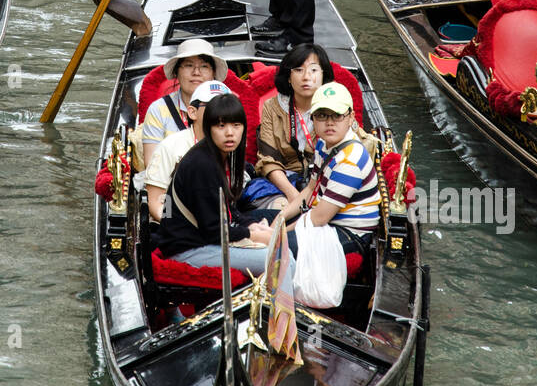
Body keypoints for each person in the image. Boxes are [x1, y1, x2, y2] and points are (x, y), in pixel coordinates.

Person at [156, 93, 275, 276]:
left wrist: (252, 225)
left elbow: (228, 210)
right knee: (280, 259)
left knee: (280, 248)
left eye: (236, 125)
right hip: (188, 250)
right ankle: (284, 305)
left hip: (202, 241)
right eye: (221, 126)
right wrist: (254, 235)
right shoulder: (202, 165)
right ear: (208, 128)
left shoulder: (216, 156)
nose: (230, 133)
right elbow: (214, 231)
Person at [248, 43, 335, 218]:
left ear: (323, 76)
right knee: (273, 205)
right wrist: (294, 196)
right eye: (298, 70)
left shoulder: (337, 107)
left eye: (313, 70)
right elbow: (267, 160)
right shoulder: (272, 107)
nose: (306, 77)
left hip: (325, 181)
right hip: (283, 182)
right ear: (289, 77)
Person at [145, 79, 228, 223]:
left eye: (226, 106)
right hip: (180, 230)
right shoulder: (170, 146)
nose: (220, 113)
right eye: (212, 106)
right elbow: (158, 201)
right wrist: (177, 226)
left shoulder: (232, 145)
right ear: (192, 112)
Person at [304, 82, 380, 234]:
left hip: (347, 232)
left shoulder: (351, 161)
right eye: (321, 115)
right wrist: (280, 218)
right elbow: (311, 188)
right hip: (324, 219)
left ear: (351, 118)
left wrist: (275, 234)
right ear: (313, 119)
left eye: (337, 115)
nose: (329, 122)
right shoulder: (322, 144)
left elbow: (319, 219)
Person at [140, 37, 227, 168]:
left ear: (213, 73)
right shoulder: (158, 110)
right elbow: (152, 166)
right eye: (189, 65)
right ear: (176, 72)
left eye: (204, 66)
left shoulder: (225, 107)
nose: (196, 72)